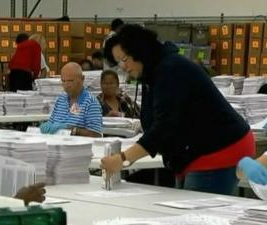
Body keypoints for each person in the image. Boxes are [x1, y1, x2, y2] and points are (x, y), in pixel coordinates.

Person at [100, 24, 254, 195]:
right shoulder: (151, 73)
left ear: (139, 50)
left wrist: (123, 159)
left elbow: (164, 127)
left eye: (124, 59)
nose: (123, 67)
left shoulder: (170, 70)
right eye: (118, 63)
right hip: (194, 150)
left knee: (195, 214)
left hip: (218, 148)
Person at [40, 62, 103, 137]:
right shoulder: (61, 99)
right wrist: (46, 127)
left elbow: (96, 135)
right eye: (63, 81)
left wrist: (72, 130)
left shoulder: (91, 102)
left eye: (71, 81)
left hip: (77, 147)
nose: (66, 85)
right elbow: (51, 123)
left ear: (82, 79)